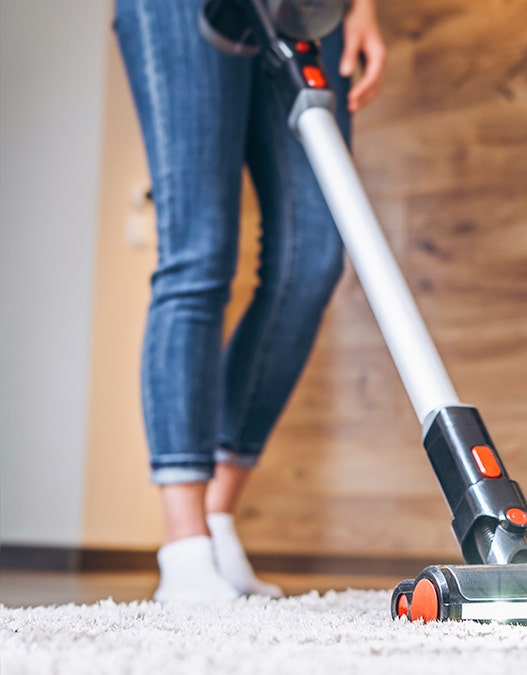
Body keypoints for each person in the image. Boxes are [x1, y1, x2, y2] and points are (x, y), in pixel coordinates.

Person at [112, 0, 386, 602]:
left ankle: (216, 519)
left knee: (313, 257)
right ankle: (184, 547)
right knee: (199, 251)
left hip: (306, 10)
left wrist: (362, 9)